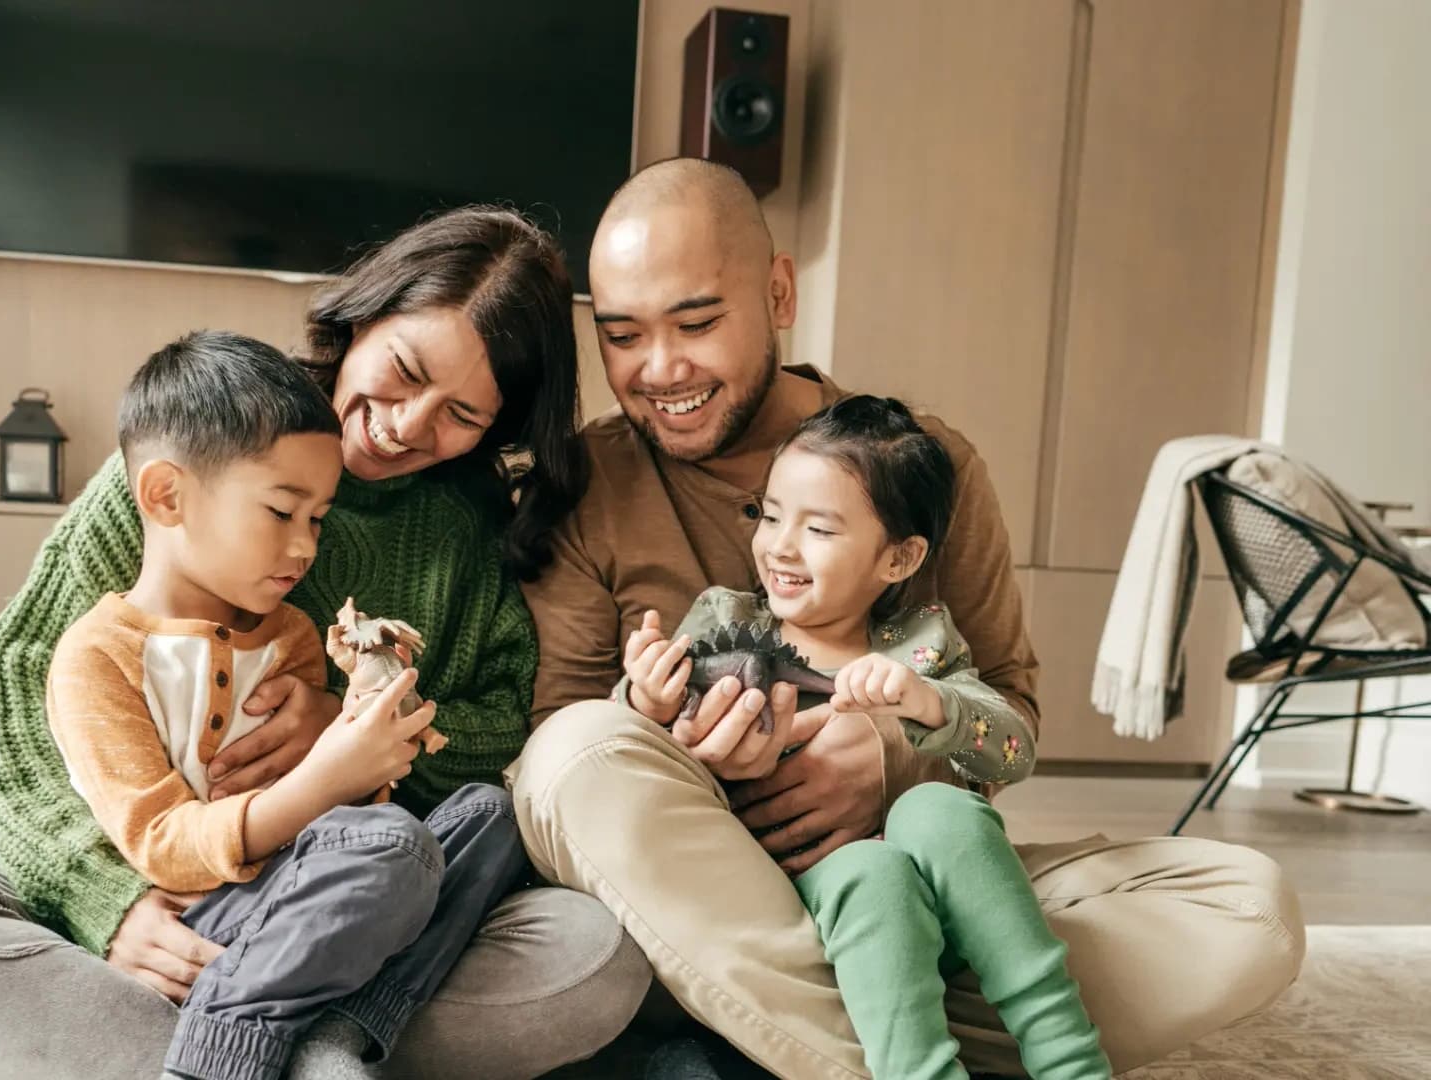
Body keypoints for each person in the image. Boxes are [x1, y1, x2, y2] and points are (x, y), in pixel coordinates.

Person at [511, 158, 1304, 1078]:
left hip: (900, 869)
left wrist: (891, 755)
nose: (659, 369)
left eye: (695, 323)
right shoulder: (584, 482)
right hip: (694, 879)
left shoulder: (926, 470)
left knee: (1249, 908)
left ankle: (795, 1022)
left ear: (777, 292)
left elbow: (1009, 712)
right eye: (621, 336)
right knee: (575, 754)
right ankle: (911, 1043)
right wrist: (672, 734)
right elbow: (557, 756)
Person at [0, 208, 650, 1080]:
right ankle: (303, 1056)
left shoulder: (470, 530)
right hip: (160, 896)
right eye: (404, 373)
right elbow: (22, 692)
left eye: (462, 415)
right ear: (364, 318)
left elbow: (506, 735)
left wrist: (352, 730)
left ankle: (108, 1047)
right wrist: (111, 904)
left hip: (350, 906)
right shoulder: (202, 453)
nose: (407, 424)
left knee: (592, 954)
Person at [50, 331, 525, 1080]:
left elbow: (350, 817)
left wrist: (363, 712)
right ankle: (220, 1046)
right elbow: (162, 842)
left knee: (490, 818)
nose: (304, 549)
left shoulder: (295, 637)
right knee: (393, 851)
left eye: (318, 520)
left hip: (313, 893)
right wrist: (326, 782)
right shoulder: (97, 657)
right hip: (201, 915)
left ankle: (344, 1031)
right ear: (166, 496)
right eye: (281, 513)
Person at [621, 395, 1109, 1080]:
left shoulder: (923, 644)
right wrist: (645, 693)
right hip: (797, 910)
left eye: (819, 529)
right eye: (770, 514)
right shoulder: (723, 621)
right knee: (868, 871)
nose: (780, 546)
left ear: (899, 559)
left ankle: (1066, 1055)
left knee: (937, 809)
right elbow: (638, 751)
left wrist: (930, 704)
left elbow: (1011, 751)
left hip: (942, 908)